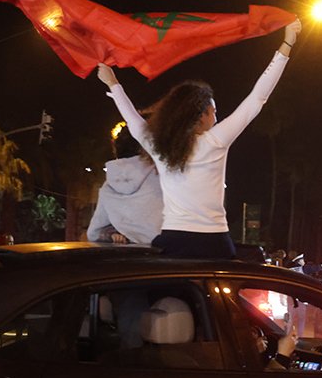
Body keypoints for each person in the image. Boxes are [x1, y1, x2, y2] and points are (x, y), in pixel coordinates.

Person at [97, 18, 302, 258]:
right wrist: (286, 45)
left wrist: (112, 82)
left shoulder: (160, 147)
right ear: (202, 115)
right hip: (214, 242)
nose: (217, 115)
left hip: (173, 240)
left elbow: (132, 119)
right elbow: (258, 98)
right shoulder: (215, 141)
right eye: (213, 110)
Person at [87, 120, 163, 245]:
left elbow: (95, 233)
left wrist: (112, 234)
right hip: (165, 254)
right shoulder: (163, 177)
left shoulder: (108, 186)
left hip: (129, 258)